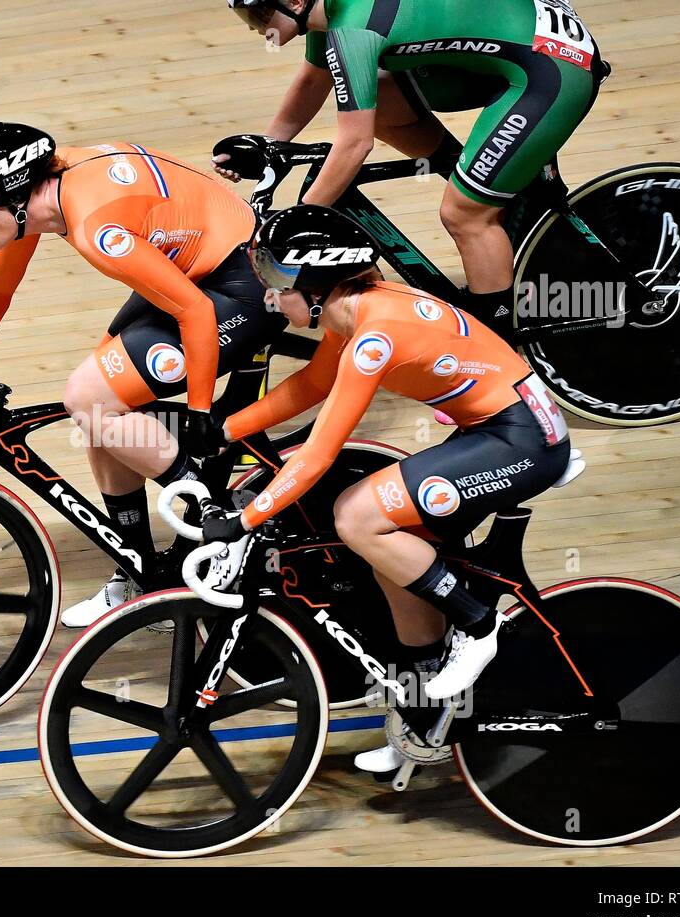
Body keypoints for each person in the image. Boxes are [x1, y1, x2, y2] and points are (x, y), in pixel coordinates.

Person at [200, 204, 572, 772]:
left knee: (356, 515)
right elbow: (313, 384)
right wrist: (225, 428)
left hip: (522, 439)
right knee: (390, 549)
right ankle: (422, 714)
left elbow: (319, 453)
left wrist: (244, 520)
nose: (269, 295)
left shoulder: (374, 336)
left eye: (277, 279)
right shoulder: (352, 315)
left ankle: (477, 624)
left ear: (317, 280)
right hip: (497, 426)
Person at [0, 122, 285, 627]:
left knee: (92, 397)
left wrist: (201, 413)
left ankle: (218, 524)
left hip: (245, 284)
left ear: (12, 190)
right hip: (200, 266)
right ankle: (142, 575)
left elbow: (198, 315)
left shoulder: (96, 226)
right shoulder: (42, 197)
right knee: (98, 404)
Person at [218, 0, 602, 333]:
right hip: (522, 46)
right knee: (380, 98)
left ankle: (501, 346)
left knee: (464, 215)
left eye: (257, 12)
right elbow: (311, 82)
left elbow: (355, 144)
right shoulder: (330, 10)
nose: (254, 26)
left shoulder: (351, 29)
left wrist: (298, 222)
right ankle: (480, 179)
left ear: (296, 4)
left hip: (550, 73)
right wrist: (267, 146)